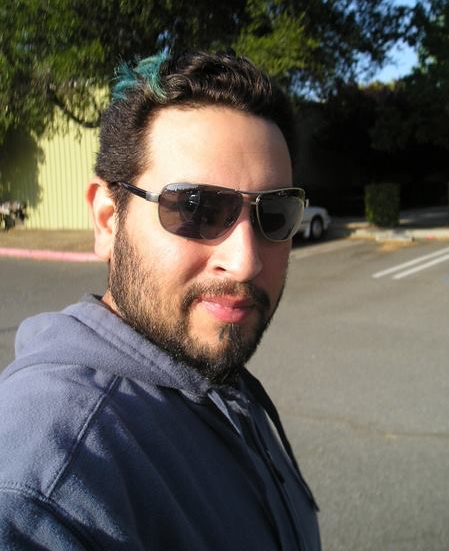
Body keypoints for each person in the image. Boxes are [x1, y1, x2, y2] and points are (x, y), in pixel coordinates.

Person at [0, 50, 321, 550]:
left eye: (275, 214)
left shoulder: (205, 371)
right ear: (108, 220)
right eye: (196, 209)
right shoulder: (44, 482)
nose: (246, 262)